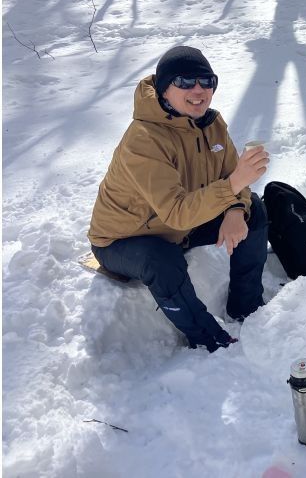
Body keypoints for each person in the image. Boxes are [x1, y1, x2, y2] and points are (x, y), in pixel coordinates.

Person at [88, 45, 270, 352]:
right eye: (185, 82)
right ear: (163, 90)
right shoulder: (143, 139)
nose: (199, 91)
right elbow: (176, 212)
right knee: (161, 260)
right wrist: (235, 183)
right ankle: (206, 337)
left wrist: (236, 208)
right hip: (123, 239)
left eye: (207, 81)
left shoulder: (211, 125)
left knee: (256, 212)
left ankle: (246, 305)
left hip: (179, 226)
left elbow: (230, 176)